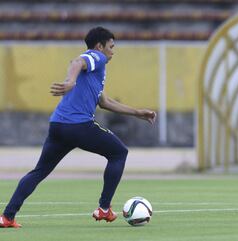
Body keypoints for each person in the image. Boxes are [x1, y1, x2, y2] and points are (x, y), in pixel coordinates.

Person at [0, 27, 156, 228]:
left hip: (58, 126)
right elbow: (77, 62)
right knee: (119, 153)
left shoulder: (96, 72)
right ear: (100, 46)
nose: (113, 51)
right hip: (78, 126)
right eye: (111, 46)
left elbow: (105, 102)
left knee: (39, 172)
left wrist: (138, 112)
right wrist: (70, 82)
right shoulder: (95, 57)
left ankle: (7, 217)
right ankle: (104, 208)